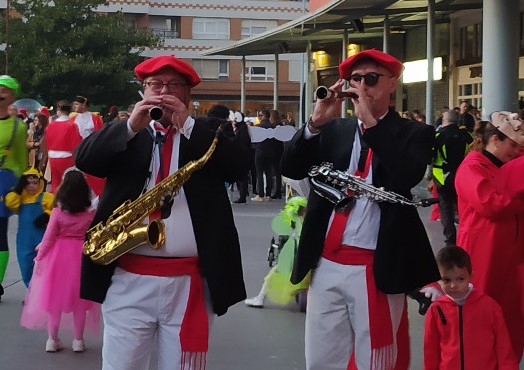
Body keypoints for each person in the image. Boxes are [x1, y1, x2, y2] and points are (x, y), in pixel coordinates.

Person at [75, 54, 250, 370]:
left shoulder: (211, 130)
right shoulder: (126, 131)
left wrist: (187, 125)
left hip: (190, 282)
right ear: (143, 90)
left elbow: (238, 167)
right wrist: (129, 127)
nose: (163, 91)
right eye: (155, 84)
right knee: (120, 365)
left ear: (187, 93)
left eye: (173, 85)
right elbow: (86, 160)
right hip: (127, 276)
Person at [281, 49, 440, 370]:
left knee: (375, 359)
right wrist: (315, 123)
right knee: (320, 360)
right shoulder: (335, 129)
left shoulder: (415, 132)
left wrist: (370, 123)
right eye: (355, 79)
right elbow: (292, 167)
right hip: (325, 262)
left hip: (376, 265)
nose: (362, 86)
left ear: (392, 84)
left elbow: (404, 176)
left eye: (371, 79)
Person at [455, 111, 524, 362]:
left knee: (509, 325)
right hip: (482, 260)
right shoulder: (472, 167)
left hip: (508, 261)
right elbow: (491, 205)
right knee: (482, 325)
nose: (517, 152)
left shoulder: (505, 166)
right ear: (495, 139)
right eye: (513, 145)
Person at [20, 169, 101, 353]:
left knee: (54, 302)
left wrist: (39, 258)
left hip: (58, 258)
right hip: (81, 258)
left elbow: (48, 239)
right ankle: (78, 341)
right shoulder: (90, 214)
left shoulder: (57, 213)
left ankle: (52, 339)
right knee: (80, 302)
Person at [424, 245, 518, 370]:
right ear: (438, 280)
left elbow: (503, 347)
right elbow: (430, 351)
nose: (453, 285)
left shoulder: (489, 306)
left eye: (460, 279)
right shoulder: (435, 310)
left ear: (470, 276)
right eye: (446, 280)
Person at [245, 196, 308, 307]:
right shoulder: (308, 226)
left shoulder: (292, 228)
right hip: (307, 263)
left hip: (291, 263)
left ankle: (260, 298)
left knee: (269, 279)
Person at [0, 75, 28, 301]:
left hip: (4, 182)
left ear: (12, 96)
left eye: (4, 90)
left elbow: (22, 161)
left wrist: (22, 188)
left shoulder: (18, 127)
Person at [4, 167, 54, 287]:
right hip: (24, 240)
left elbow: (57, 210)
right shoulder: (20, 199)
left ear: (40, 183)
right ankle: (31, 291)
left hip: (41, 238)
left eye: (35, 183)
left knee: (43, 266)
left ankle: (41, 292)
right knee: (25, 266)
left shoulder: (46, 197)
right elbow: (10, 202)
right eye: (28, 183)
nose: (32, 186)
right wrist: (18, 189)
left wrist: (47, 215)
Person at [431, 109, 472, 245]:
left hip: (443, 177)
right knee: (463, 208)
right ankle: (467, 235)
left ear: (444, 120)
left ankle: (450, 238)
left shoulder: (438, 136)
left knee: (446, 207)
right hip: (462, 176)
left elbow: (431, 156)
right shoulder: (466, 135)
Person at [44, 100, 83, 193]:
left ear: (59, 110)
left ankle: (55, 205)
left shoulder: (50, 125)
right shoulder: (72, 125)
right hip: (67, 158)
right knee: (68, 184)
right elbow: (76, 145)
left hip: (53, 158)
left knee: (55, 184)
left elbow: (47, 143)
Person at [72, 95, 105, 196]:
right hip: (77, 152)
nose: (74, 106)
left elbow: (100, 135)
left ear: (84, 105)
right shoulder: (73, 119)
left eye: (77, 104)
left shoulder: (94, 118)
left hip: (91, 151)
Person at [251, 109, 274, 201]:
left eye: (260, 115)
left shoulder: (258, 127)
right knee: (269, 173)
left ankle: (260, 194)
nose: (259, 117)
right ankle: (268, 194)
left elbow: (253, 140)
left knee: (259, 173)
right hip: (270, 152)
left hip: (260, 152)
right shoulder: (273, 127)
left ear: (264, 116)